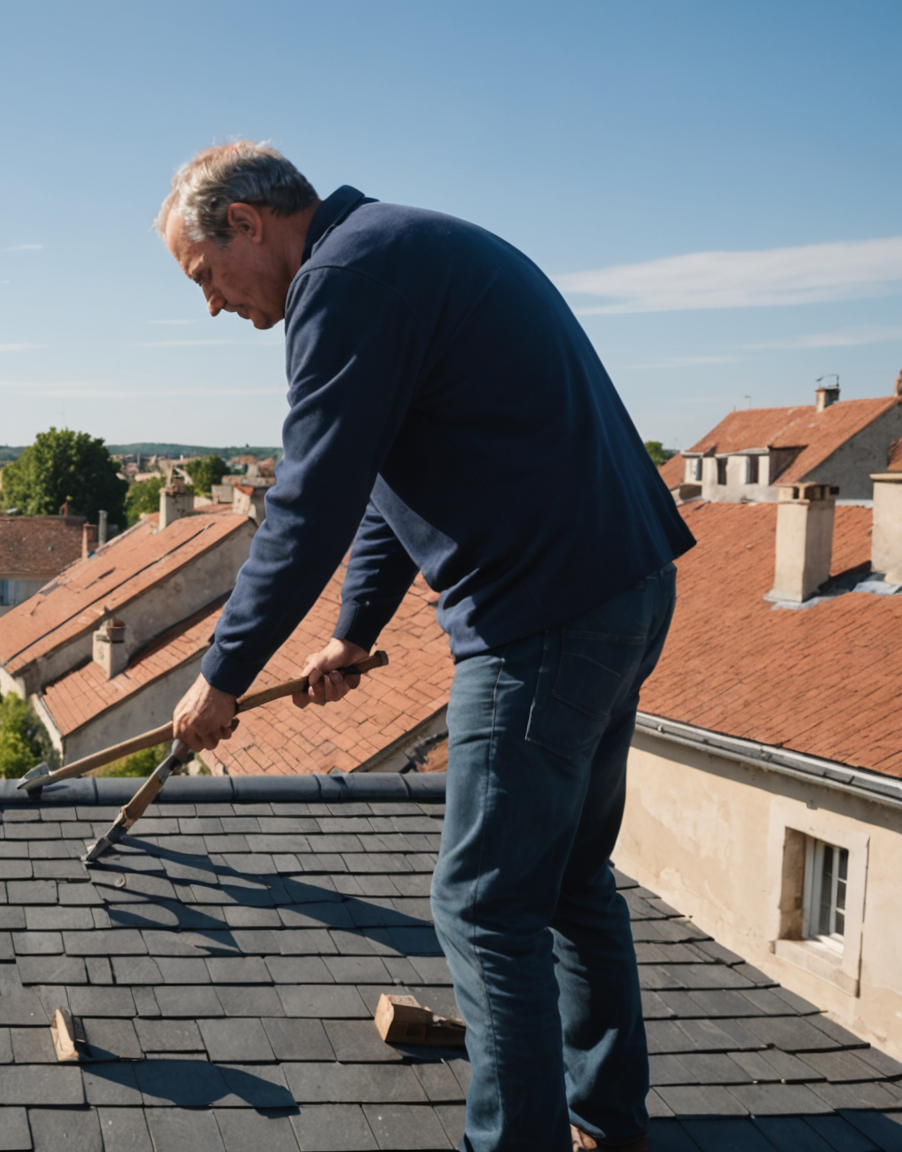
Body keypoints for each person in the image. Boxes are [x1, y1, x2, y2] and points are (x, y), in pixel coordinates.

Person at [160, 142, 693, 1152]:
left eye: (204, 278)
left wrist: (222, 675)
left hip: (542, 619)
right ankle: (604, 1122)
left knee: (484, 907)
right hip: (619, 590)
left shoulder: (345, 280)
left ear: (246, 224)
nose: (214, 306)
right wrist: (354, 632)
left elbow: (308, 501)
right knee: (572, 880)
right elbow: (378, 483)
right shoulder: (398, 249)